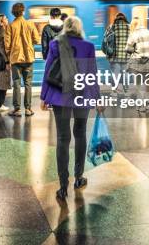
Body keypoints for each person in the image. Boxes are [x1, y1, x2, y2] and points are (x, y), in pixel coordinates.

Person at [41, 16, 101, 200]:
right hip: (82, 96)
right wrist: (97, 98)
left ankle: (62, 185)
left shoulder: (54, 44)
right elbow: (92, 74)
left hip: (60, 97)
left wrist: (44, 96)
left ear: (64, 28)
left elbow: (48, 71)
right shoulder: (88, 47)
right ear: (80, 29)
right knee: (80, 133)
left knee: (62, 138)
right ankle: (79, 177)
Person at [4, 2, 40, 117]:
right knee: (28, 84)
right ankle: (28, 109)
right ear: (23, 11)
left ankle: (17, 109)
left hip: (15, 59)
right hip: (28, 58)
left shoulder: (10, 26)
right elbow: (36, 39)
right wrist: (29, 43)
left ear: (13, 13)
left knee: (16, 83)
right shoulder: (30, 24)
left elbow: (7, 45)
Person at [125, 17, 149, 112]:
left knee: (138, 85)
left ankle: (140, 106)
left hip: (137, 64)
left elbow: (128, 49)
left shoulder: (133, 34)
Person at [104, 13, 130, 94]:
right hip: (126, 56)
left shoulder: (111, 27)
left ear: (116, 19)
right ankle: (126, 89)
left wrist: (108, 52)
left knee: (115, 73)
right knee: (125, 73)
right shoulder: (129, 27)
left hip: (114, 56)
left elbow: (105, 40)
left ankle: (115, 89)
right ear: (125, 19)